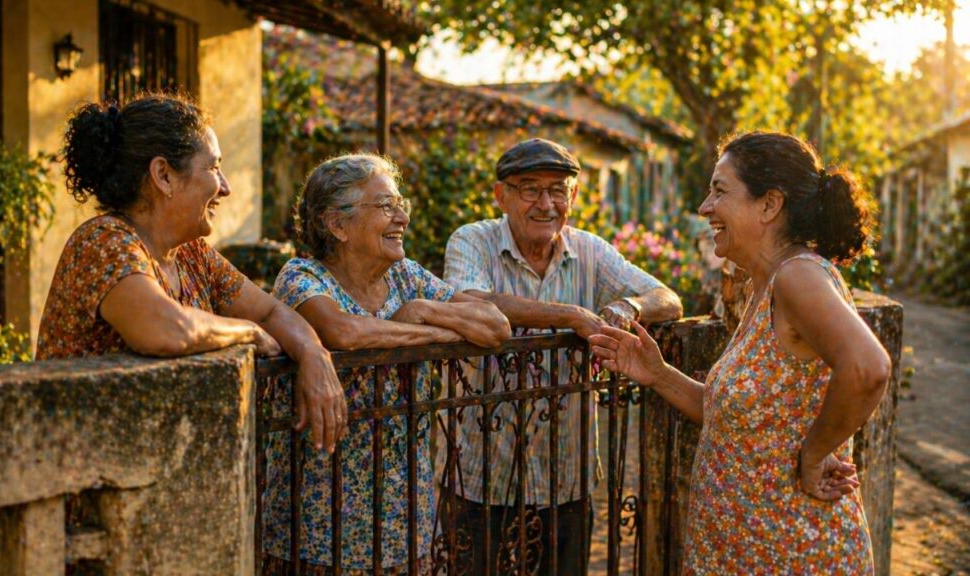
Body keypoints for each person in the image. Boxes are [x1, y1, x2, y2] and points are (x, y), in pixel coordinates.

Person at [589, 131, 891, 574]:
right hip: (743, 551)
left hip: (794, 552)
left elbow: (868, 368)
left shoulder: (798, 278)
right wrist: (658, 374)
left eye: (719, 191)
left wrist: (814, 453)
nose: (705, 208)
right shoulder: (760, 286)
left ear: (769, 205)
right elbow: (739, 421)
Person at [38, 93, 346, 453]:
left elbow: (270, 310)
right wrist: (249, 333)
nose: (226, 187)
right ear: (164, 176)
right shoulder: (103, 241)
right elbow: (165, 328)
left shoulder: (192, 254)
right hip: (88, 479)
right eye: (214, 168)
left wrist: (312, 353)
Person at [443, 138, 683, 575]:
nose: (546, 204)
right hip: (482, 476)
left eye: (558, 190)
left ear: (573, 196)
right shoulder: (472, 241)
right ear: (502, 195)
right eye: (530, 189)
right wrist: (571, 316)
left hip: (565, 479)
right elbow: (469, 301)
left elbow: (667, 297)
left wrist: (629, 307)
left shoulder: (589, 250)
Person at [263, 154, 511, 575]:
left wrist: (421, 310)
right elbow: (345, 333)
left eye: (400, 204)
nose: (401, 218)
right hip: (320, 528)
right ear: (336, 225)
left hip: (405, 519)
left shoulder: (406, 278)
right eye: (384, 206)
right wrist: (427, 329)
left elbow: (496, 326)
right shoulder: (302, 276)